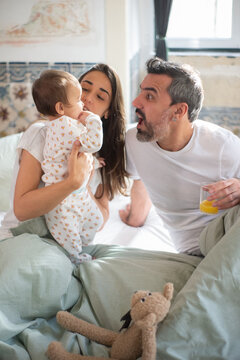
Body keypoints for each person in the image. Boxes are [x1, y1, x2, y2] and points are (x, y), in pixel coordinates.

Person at [0, 64, 128, 255]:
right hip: (28, 236)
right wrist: (72, 182)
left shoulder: (97, 155)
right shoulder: (42, 134)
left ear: (108, 112)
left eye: (100, 97)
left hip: (72, 247)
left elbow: (100, 219)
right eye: (84, 89)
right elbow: (21, 210)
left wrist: (84, 181)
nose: (86, 98)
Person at [120, 57, 240, 256]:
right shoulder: (134, 142)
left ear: (179, 110)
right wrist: (135, 218)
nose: (135, 102)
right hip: (192, 253)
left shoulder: (222, 146)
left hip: (228, 239)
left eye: (149, 97)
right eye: (141, 92)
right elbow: (141, 178)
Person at [32, 69, 105, 263]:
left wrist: (94, 163)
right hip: (62, 201)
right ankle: (75, 257)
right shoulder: (65, 125)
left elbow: (72, 153)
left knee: (94, 219)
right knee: (68, 233)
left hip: (76, 194)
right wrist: (93, 119)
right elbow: (93, 143)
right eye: (79, 100)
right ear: (61, 108)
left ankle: (81, 248)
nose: (84, 104)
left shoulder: (59, 126)